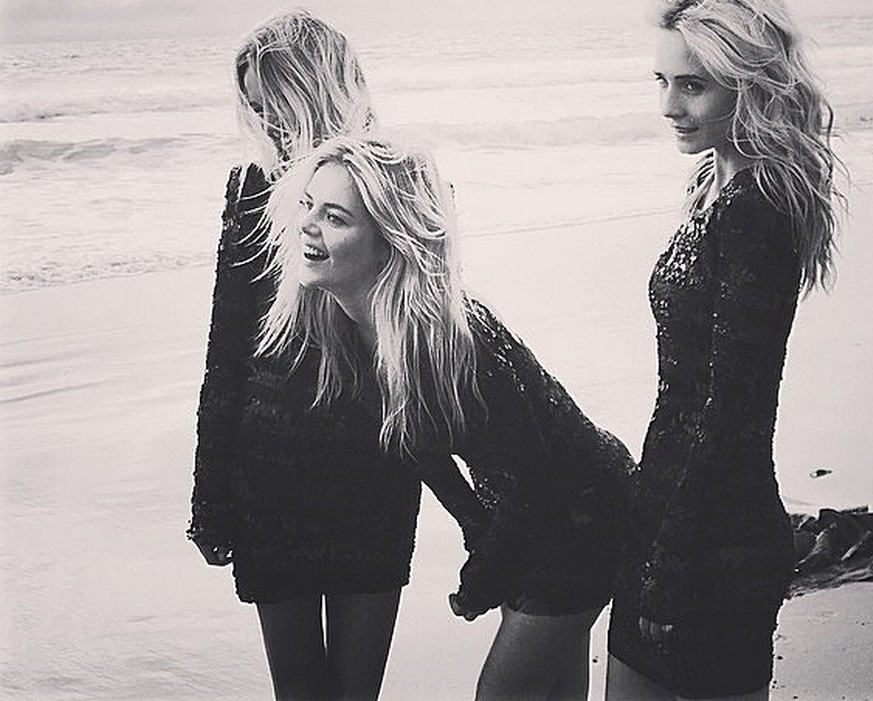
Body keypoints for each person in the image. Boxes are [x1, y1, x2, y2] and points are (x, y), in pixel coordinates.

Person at [258, 135, 635, 701]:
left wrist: (483, 576)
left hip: (584, 512)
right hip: (526, 519)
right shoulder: (341, 327)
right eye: (307, 204)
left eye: (334, 217)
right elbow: (425, 456)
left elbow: (538, 477)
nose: (306, 225)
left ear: (391, 240)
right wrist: (480, 538)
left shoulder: (455, 339)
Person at [606, 0, 844, 701]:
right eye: (662, 81)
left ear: (749, 85)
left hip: (712, 541)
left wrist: (670, 563)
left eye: (693, 86)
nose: (669, 106)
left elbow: (732, 413)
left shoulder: (757, 211)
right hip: (673, 515)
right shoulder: (716, 183)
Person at [187, 11, 421, 701]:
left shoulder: (396, 182)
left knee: (355, 692)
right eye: (255, 109)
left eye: (277, 106)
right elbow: (227, 343)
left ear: (318, 90)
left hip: (375, 464)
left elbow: (424, 338)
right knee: (299, 691)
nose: (269, 125)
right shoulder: (252, 186)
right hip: (270, 471)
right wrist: (209, 497)